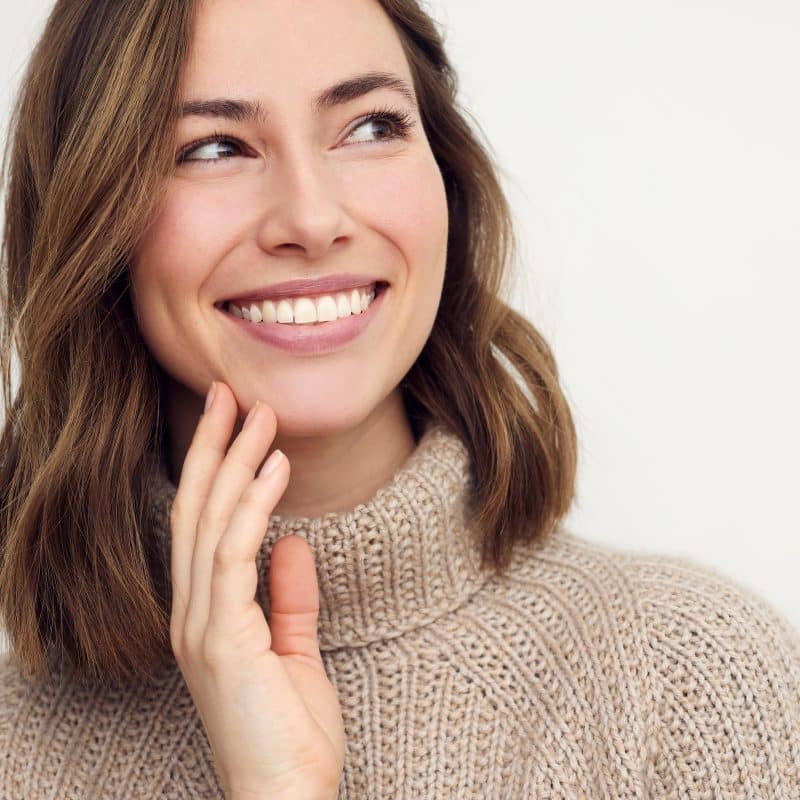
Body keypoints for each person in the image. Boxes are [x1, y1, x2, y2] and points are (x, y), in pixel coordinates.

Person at [0, 0, 798, 797]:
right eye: (213, 147)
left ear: (445, 175)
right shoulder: (15, 752)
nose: (312, 219)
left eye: (371, 127)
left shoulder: (692, 689)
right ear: (92, 221)